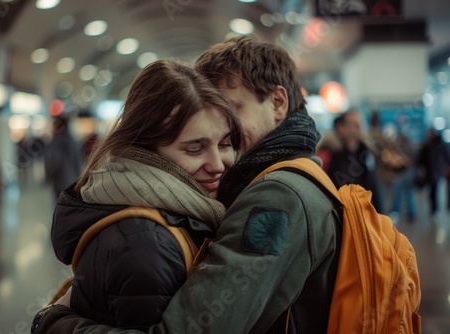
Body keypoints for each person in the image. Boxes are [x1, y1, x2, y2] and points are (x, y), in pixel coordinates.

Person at [32, 35, 339, 334]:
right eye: (194, 147)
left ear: (278, 102)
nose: (219, 163)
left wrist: (54, 321)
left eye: (232, 113)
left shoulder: (278, 197)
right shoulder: (149, 233)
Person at [40, 59, 242, 330]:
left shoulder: (170, 217)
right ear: (146, 149)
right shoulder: (145, 241)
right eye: (194, 149)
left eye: (225, 144)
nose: (217, 164)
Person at [326, 109, 382, 212]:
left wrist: (380, 214)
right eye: (354, 124)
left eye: (361, 123)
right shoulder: (330, 153)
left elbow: (373, 185)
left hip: (366, 211)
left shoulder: (366, 151)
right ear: (341, 127)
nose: (359, 127)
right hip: (340, 214)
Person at [43, 115, 84, 200]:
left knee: (60, 206)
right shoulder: (73, 140)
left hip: (60, 181)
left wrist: (48, 177)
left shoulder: (57, 141)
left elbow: (55, 162)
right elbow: (78, 161)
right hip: (73, 180)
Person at [416, 128, 450, 215]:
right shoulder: (428, 144)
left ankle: (435, 209)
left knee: (435, 190)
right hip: (430, 170)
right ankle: (434, 208)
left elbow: (446, 156)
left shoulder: (440, 144)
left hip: (437, 170)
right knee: (432, 190)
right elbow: (422, 158)